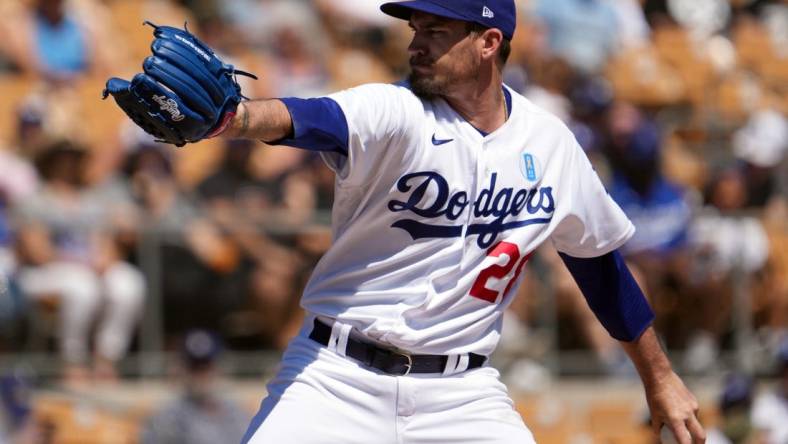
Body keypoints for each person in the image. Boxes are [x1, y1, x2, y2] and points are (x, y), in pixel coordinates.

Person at [121, 1, 706, 442]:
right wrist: (236, 120)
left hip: (463, 393)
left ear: (488, 43)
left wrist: (659, 377)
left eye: (437, 31)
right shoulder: (396, 110)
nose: (417, 43)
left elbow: (599, 266)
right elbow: (311, 118)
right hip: (335, 377)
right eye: (415, 30)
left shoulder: (551, 144)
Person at [140, 329, 249, 444]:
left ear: (218, 367)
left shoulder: (237, 414)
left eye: (206, 366)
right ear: (182, 369)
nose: (201, 375)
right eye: (195, 367)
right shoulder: (167, 419)